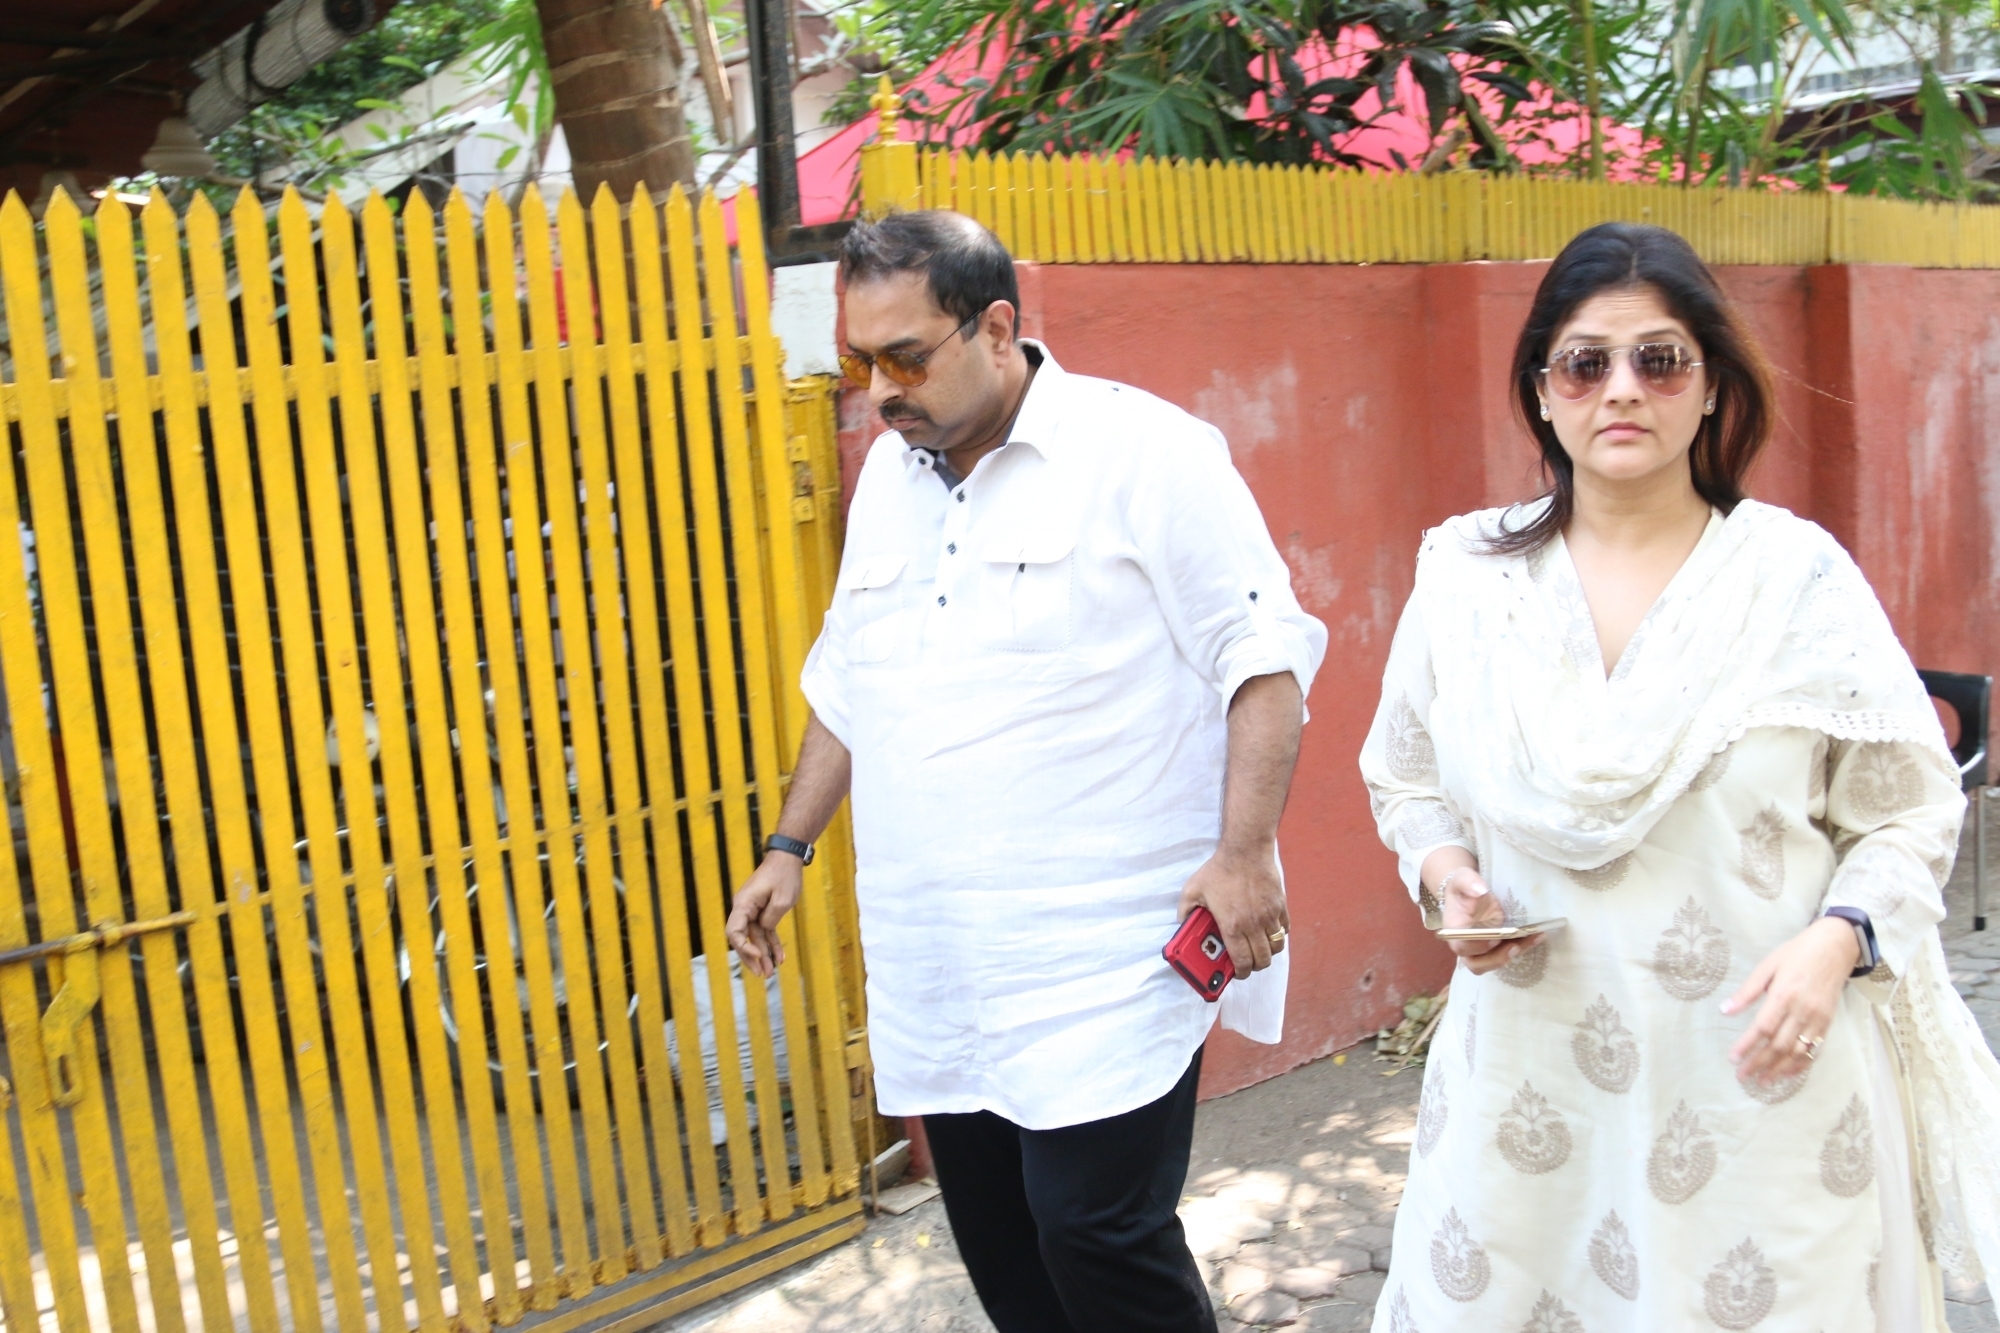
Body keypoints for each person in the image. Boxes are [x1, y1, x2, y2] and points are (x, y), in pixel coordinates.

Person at [1360, 222, 2000, 1332]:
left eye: (1658, 360)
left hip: (1760, 1082)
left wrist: (1838, 935)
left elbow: (1907, 806)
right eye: (1584, 361)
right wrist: (1446, 872)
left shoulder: (1792, 581)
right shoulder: (1467, 579)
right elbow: (1404, 776)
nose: (1620, 388)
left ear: (1708, 389)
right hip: (1530, 1080)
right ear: (1541, 391)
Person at [726, 210, 1327, 1333]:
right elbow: (849, 676)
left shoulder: (1144, 453)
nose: (878, 390)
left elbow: (1263, 656)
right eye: (861, 361)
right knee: (1003, 1249)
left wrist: (1243, 855)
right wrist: (786, 847)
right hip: (944, 956)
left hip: (1104, 950)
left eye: (905, 356)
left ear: (996, 327)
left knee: (1095, 1230)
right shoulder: (892, 482)